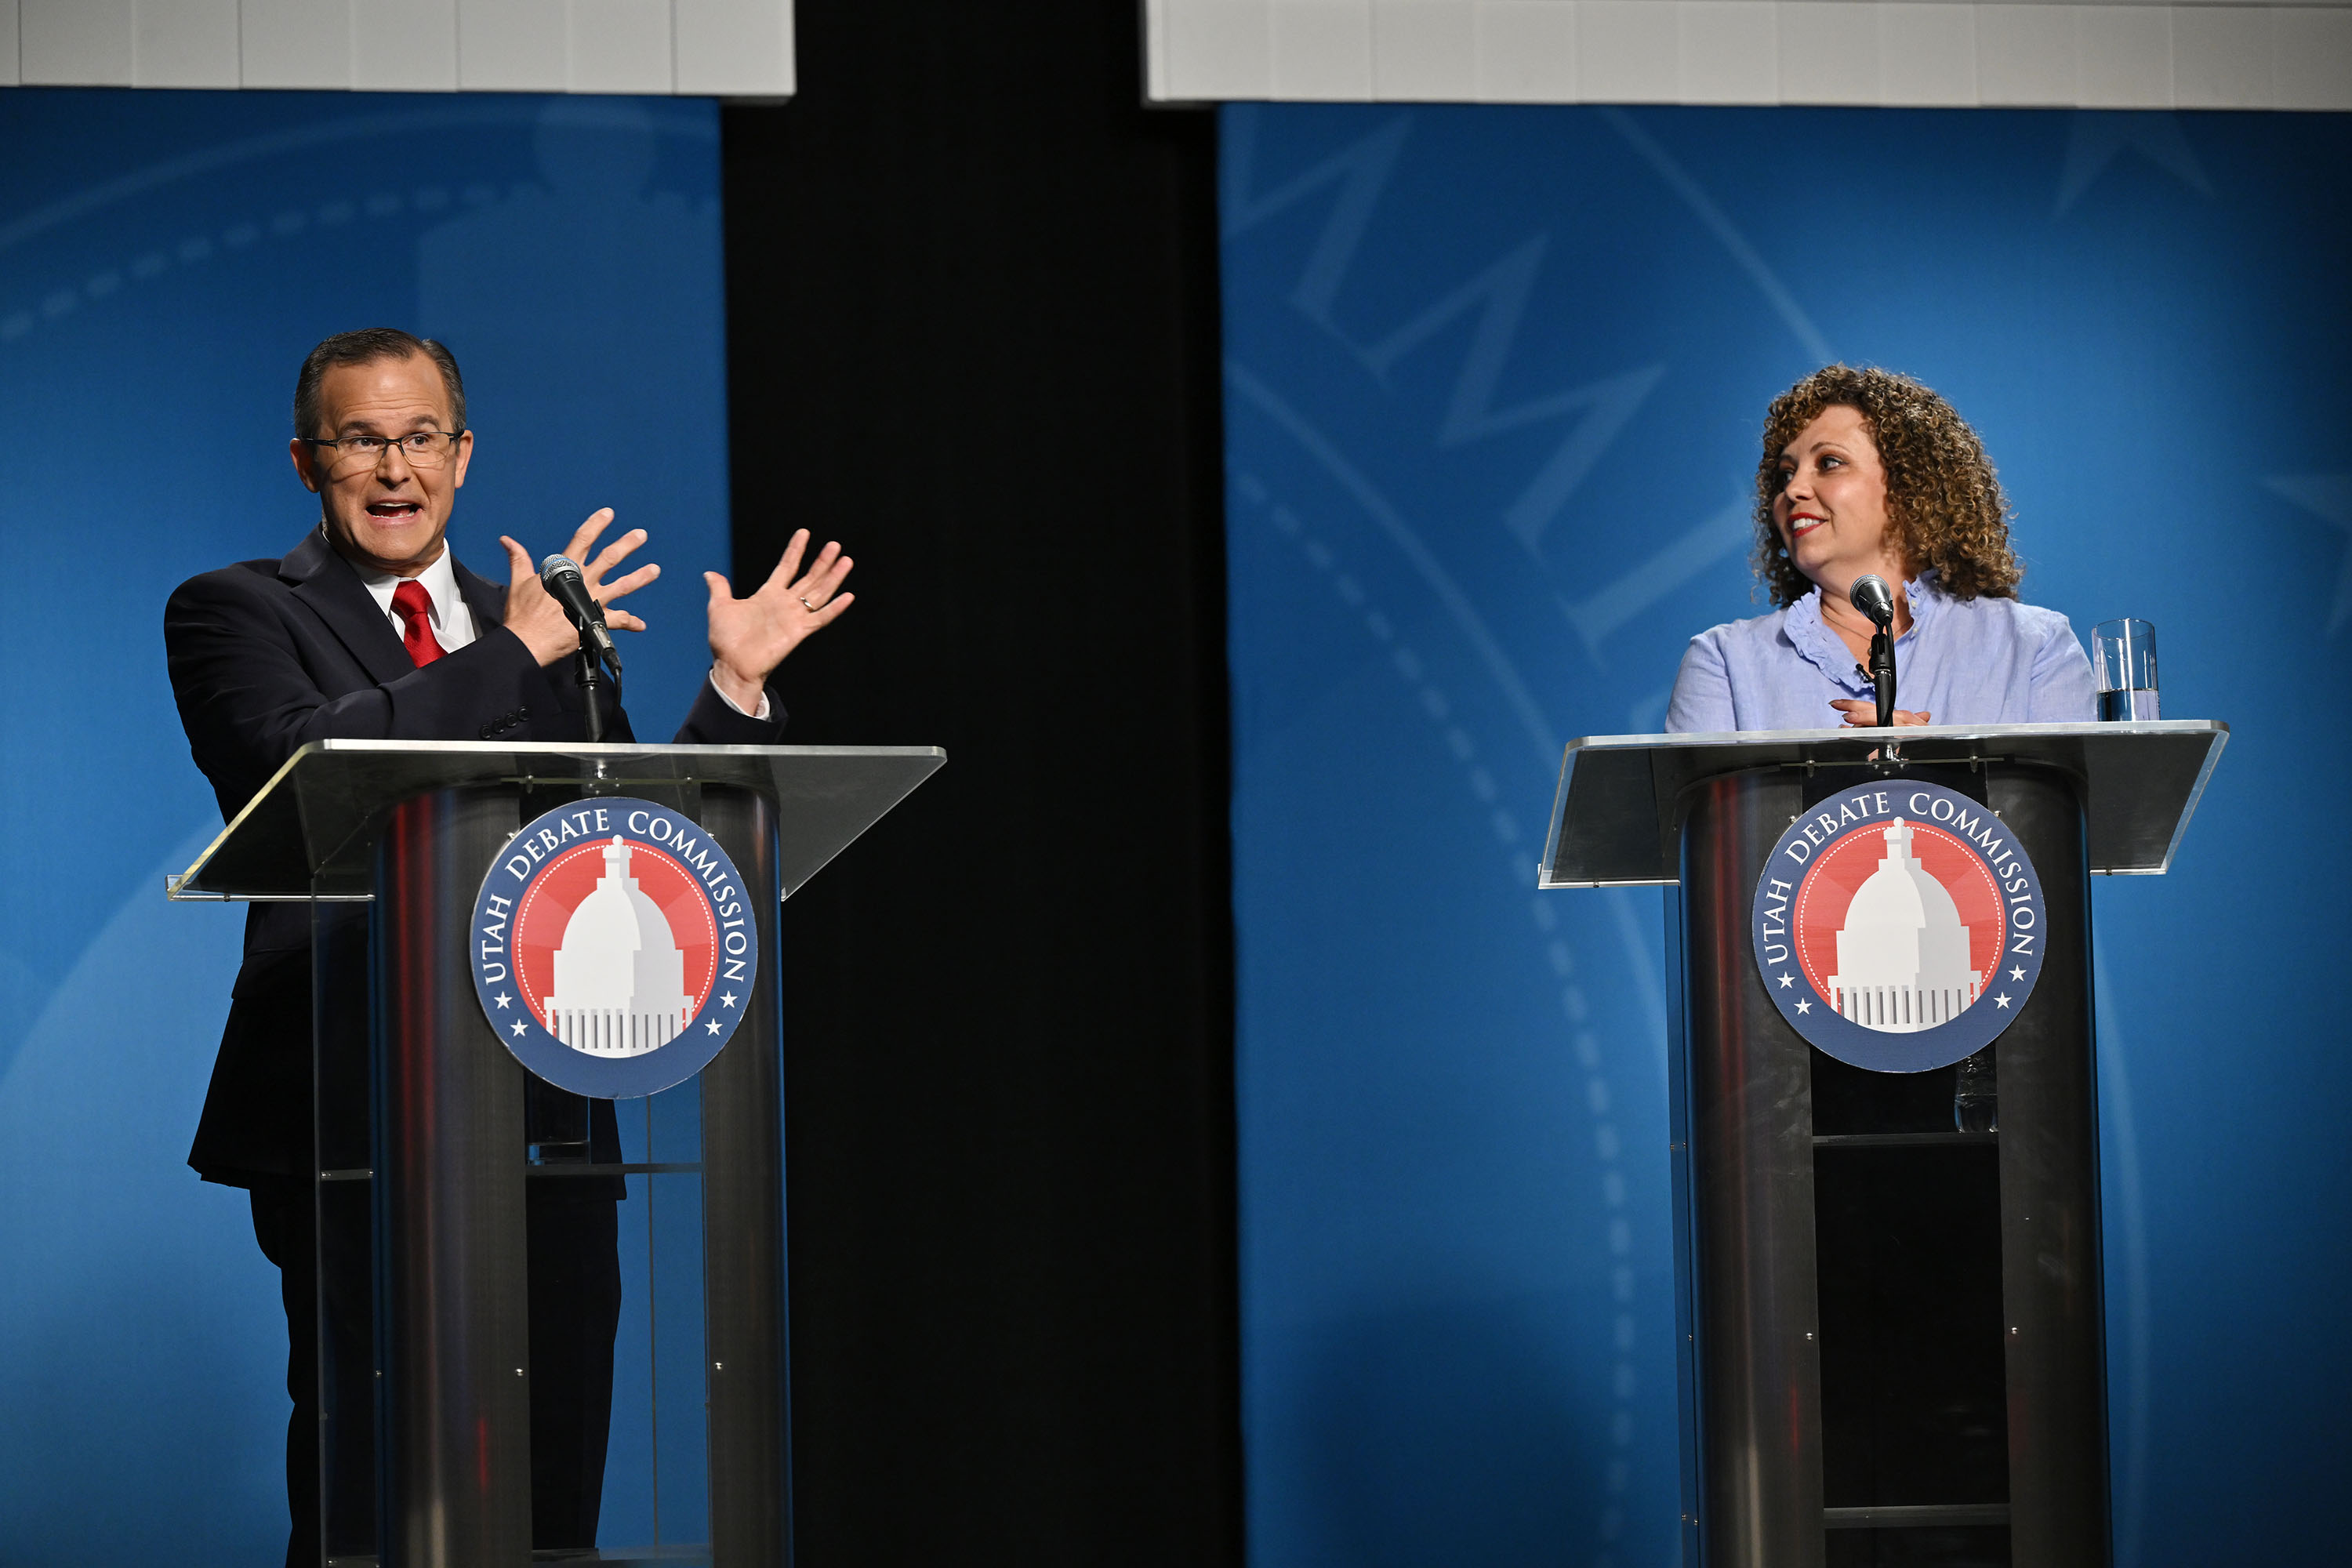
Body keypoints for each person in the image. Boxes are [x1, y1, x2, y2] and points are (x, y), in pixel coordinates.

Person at [163, 328, 854, 1563]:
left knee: (554, 1464)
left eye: (421, 437)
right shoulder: (236, 608)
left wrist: (733, 693)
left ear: (464, 454)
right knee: (371, 1466)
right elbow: (297, 765)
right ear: (306, 460)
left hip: (545, 1095)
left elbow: (629, 841)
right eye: (361, 439)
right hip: (345, 1096)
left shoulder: (533, 619)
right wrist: (515, 654)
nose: (394, 467)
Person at [1664, 365, 2094, 733]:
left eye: (1829, 462)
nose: (1793, 490)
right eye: (1785, 475)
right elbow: (1708, 826)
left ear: (1912, 485)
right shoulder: (1724, 661)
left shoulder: (2033, 647)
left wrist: (1937, 769)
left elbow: (2060, 821)